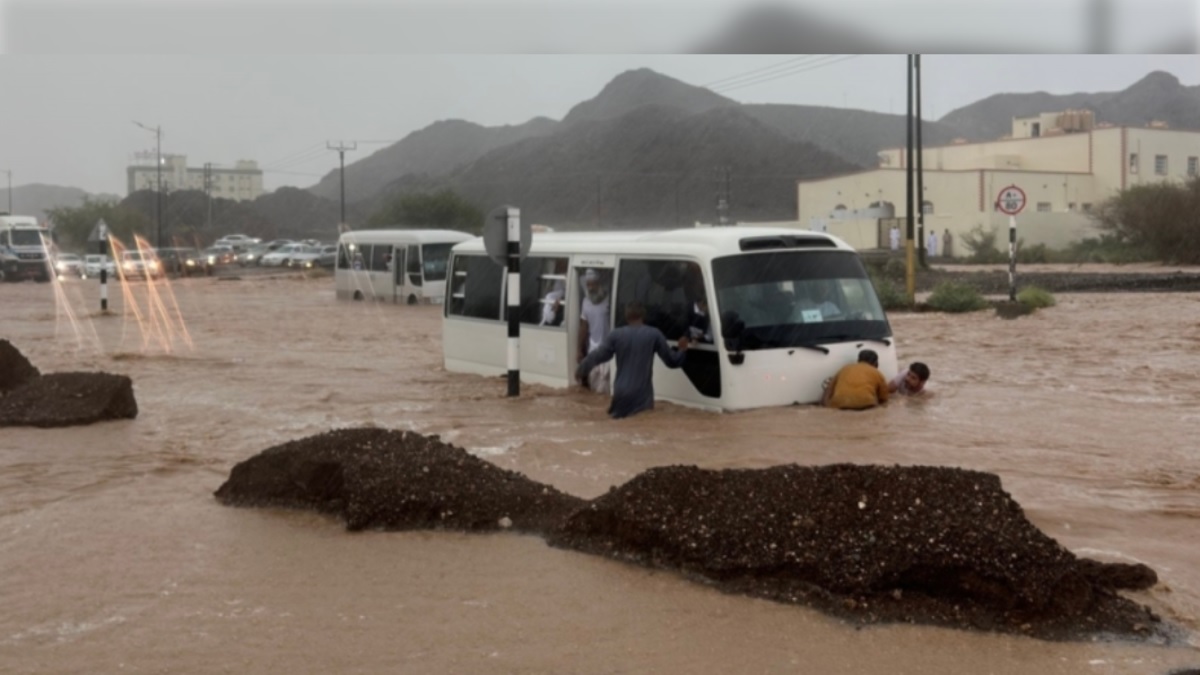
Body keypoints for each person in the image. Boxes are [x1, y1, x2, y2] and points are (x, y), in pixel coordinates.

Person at [576, 301, 689, 419]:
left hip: (620, 393)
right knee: (641, 427)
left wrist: (581, 369)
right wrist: (682, 350)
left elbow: (597, 356)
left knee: (618, 427)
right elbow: (672, 361)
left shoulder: (616, 335)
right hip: (641, 395)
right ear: (643, 315)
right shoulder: (654, 334)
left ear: (626, 315)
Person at [578, 269, 612, 393]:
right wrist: (579, 350)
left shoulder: (609, 300)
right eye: (588, 284)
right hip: (593, 351)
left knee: (605, 390)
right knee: (594, 390)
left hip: (609, 352)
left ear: (600, 283)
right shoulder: (585, 302)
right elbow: (583, 326)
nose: (591, 287)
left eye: (594, 284)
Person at [821, 349, 889, 410]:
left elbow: (829, 390)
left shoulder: (845, 368)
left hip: (839, 404)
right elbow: (884, 399)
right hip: (866, 404)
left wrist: (826, 403)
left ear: (858, 361)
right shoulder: (877, 373)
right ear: (876, 364)